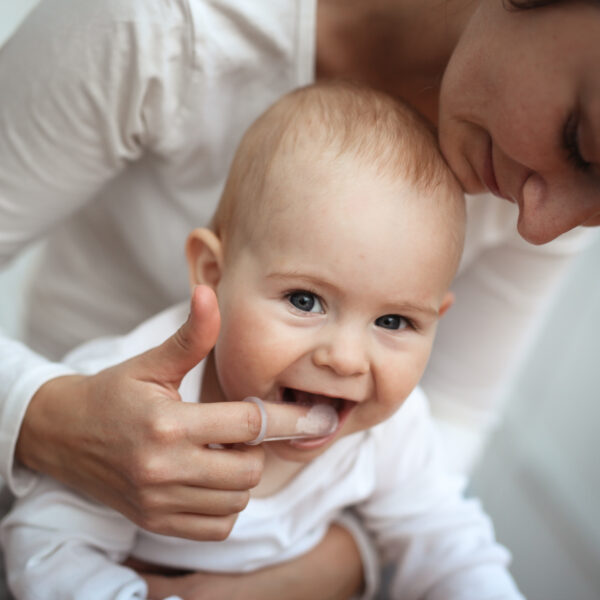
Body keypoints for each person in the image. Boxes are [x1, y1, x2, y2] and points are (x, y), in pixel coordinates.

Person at [0, 0, 597, 595]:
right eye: (306, 301)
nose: (345, 359)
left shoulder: (388, 431)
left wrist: (348, 564)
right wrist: (39, 415)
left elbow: (450, 540)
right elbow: (47, 555)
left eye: (393, 320)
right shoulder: (124, 393)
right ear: (211, 271)